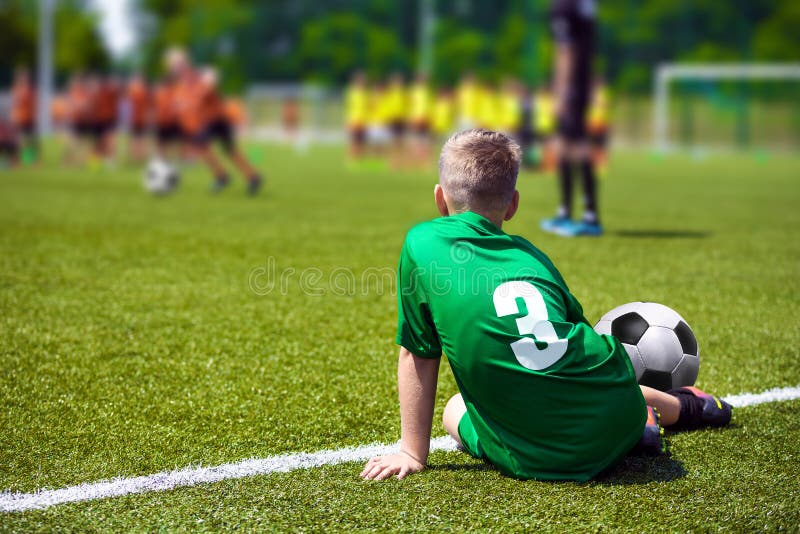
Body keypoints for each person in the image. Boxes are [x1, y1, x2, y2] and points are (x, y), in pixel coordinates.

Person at [360, 129, 732, 482]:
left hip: (537, 458)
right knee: (585, 373)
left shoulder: (420, 244)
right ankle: (684, 410)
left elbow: (417, 355)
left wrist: (412, 453)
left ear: (440, 198)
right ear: (513, 205)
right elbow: (577, 342)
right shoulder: (534, 258)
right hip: (615, 421)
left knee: (455, 407)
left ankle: (650, 418)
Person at [540, 0, 602, 237]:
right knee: (565, 145)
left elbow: (566, 51)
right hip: (582, 81)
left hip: (573, 86)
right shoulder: (583, 4)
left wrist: (561, 92)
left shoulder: (563, 6)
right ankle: (566, 212)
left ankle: (589, 215)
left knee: (575, 145)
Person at [10, 68, 37, 164]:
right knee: (19, 141)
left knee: (30, 140)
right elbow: (18, 100)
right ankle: (18, 160)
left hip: (28, 118)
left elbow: (31, 101)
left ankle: (31, 160)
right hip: (20, 118)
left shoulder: (30, 89)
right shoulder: (17, 88)